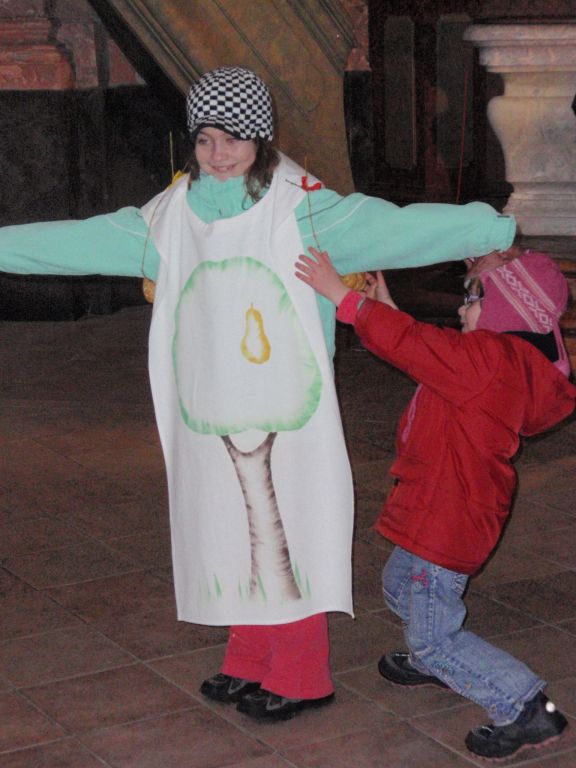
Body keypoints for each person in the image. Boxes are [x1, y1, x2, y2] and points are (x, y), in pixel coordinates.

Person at [0, 66, 517, 722]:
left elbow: (395, 228)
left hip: (285, 412)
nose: (218, 155)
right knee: (227, 524)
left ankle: (302, 672)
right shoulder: (172, 214)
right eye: (205, 139)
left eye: (234, 139)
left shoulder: (303, 208)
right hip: (207, 408)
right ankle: (249, 655)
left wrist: (486, 230)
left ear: (262, 138)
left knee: (284, 527)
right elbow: (84, 241)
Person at [294, 245, 575, 756]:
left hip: (448, 514)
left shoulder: (489, 359)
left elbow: (415, 345)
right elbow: (424, 352)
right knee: (400, 587)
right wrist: (386, 311)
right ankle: (438, 659)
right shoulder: (498, 360)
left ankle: (527, 709)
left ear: (507, 309)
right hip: (448, 506)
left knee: (433, 634)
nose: (462, 309)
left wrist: (345, 298)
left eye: (473, 300)